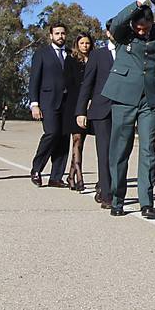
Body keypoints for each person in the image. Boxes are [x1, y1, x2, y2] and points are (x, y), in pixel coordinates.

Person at [102, 0, 155, 219]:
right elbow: (118, 22)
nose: (143, 31)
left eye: (146, 27)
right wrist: (140, 1)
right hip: (123, 96)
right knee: (120, 149)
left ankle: (147, 202)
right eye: (139, 27)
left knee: (148, 150)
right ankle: (117, 198)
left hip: (149, 97)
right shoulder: (123, 34)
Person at [76, 22, 117, 209]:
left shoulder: (130, 52)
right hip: (101, 111)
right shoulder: (98, 55)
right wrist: (81, 111)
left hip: (123, 110)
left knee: (118, 154)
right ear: (108, 33)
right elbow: (87, 84)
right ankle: (108, 195)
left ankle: (107, 186)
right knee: (104, 152)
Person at [28, 21, 71, 188]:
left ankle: (56, 176)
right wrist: (34, 104)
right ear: (51, 35)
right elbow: (34, 80)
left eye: (63, 33)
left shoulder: (70, 53)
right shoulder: (41, 54)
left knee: (63, 138)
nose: (61, 36)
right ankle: (36, 169)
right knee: (51, 133)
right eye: (57, 33)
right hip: (48, 101)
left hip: (68, 104)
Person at [62, 32, 93, 192]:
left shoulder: (94, 59)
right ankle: (79, 176)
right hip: (74, 105)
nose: (85, 46)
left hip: (90, 106)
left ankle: (70, 175)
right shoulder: (71, 60)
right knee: (76, 140)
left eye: (87, 43)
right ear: (77, 44)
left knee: (81, 142)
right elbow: (68, 82)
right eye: (82, 43)